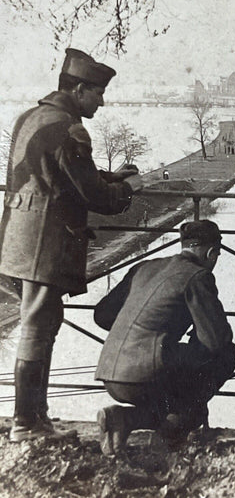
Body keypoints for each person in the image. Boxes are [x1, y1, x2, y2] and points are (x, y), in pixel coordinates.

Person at [0, 48, 144, 442]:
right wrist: (126, 189)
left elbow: (56, 169)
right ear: (79, 89)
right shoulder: (71, 128)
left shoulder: (30, 117)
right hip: (46, 244)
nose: (101, 99)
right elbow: (94, 197)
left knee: (41, 323)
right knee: (37, 326)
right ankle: (27, 424)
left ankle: (37, 418)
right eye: (97, 92)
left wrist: (107, 175)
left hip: (16, 240)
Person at [94, 220, 235, 456]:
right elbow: (216, 341)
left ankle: (122, 418)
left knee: (179, 398)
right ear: (211, 252)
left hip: (110, 372)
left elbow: (102, 315)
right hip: (143, 376)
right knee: (226, 356)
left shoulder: (144, 267)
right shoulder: (198, 276)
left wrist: (145, 333)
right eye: (217, 255)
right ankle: (168, 437)